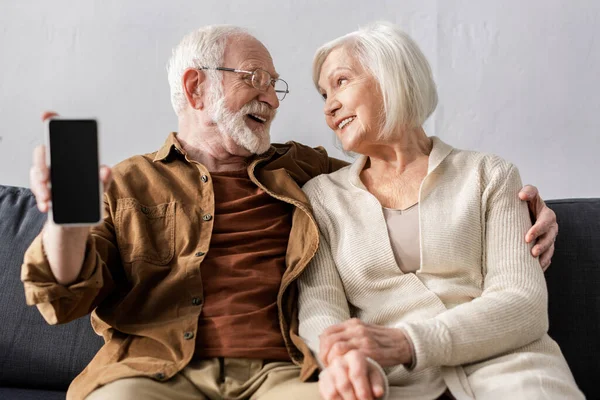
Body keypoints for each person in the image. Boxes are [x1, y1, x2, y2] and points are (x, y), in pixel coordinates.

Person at [23, 25, 558, 400]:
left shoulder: (309, 174)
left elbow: (400, 167)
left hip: (283, 372)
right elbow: (62, 297)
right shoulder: (128, 182)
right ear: (195, 86)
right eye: (253, 78)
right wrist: (64, 223)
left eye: (275, 86)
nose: (273, 100)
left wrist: (525, 208)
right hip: (153, 372)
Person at [297, 21, 582, 400]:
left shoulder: (489, 174)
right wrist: (343, 360)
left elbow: (523, 303)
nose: (329, 107)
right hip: (392, 383)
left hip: (511, 368)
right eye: (323, 95)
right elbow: (320, 308)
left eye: (341, 82)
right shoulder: (321, 196)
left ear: (391, 76)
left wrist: (408, 342)